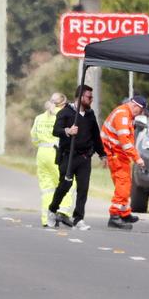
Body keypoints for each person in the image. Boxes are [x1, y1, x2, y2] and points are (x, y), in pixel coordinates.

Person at [47, 85, 107, 231]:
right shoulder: (66, 112)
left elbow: (95, 135)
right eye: (89, 97)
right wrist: (68, 130)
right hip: (68, 156)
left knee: (83, 188)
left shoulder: (90, 114)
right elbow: (56, 130)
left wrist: (102, 154)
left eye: (92, 97)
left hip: (84, 157)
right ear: (80, 97)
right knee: (65, 185)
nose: (91, 100)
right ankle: (52, 210)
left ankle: (78, 218)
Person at [101, 96, 148, 230]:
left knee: (125, 184)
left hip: (119, 154)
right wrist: (137, 158)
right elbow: (125, 142)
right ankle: (115, 216)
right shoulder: (123, 115)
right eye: (140, 111)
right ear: (135, 106)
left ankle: (124, 213)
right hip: (116, 154)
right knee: (123, 184)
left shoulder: (125, 114)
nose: (140, 114)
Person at [30, 93, 75, 227]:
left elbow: (34, 138)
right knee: (67, 182)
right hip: (57, 152)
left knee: (47, 189)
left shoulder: (39, 118)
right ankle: (63, 212)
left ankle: (47, 220)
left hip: (42, 154)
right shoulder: (62, 116)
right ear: (63, 104)